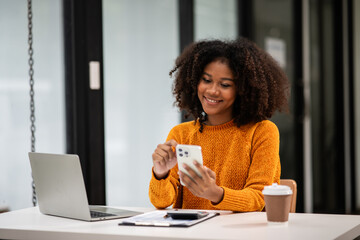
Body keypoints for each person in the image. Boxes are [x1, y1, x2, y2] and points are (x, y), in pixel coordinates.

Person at [149, 37, 289, 212]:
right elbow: (161, 202)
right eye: (206, 80)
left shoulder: (262, 131)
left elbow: (258, 198)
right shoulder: (181, 134)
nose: (212, 91)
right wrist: (160, 173)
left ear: (243, 89)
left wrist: (215, 193)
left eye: (224, 84)